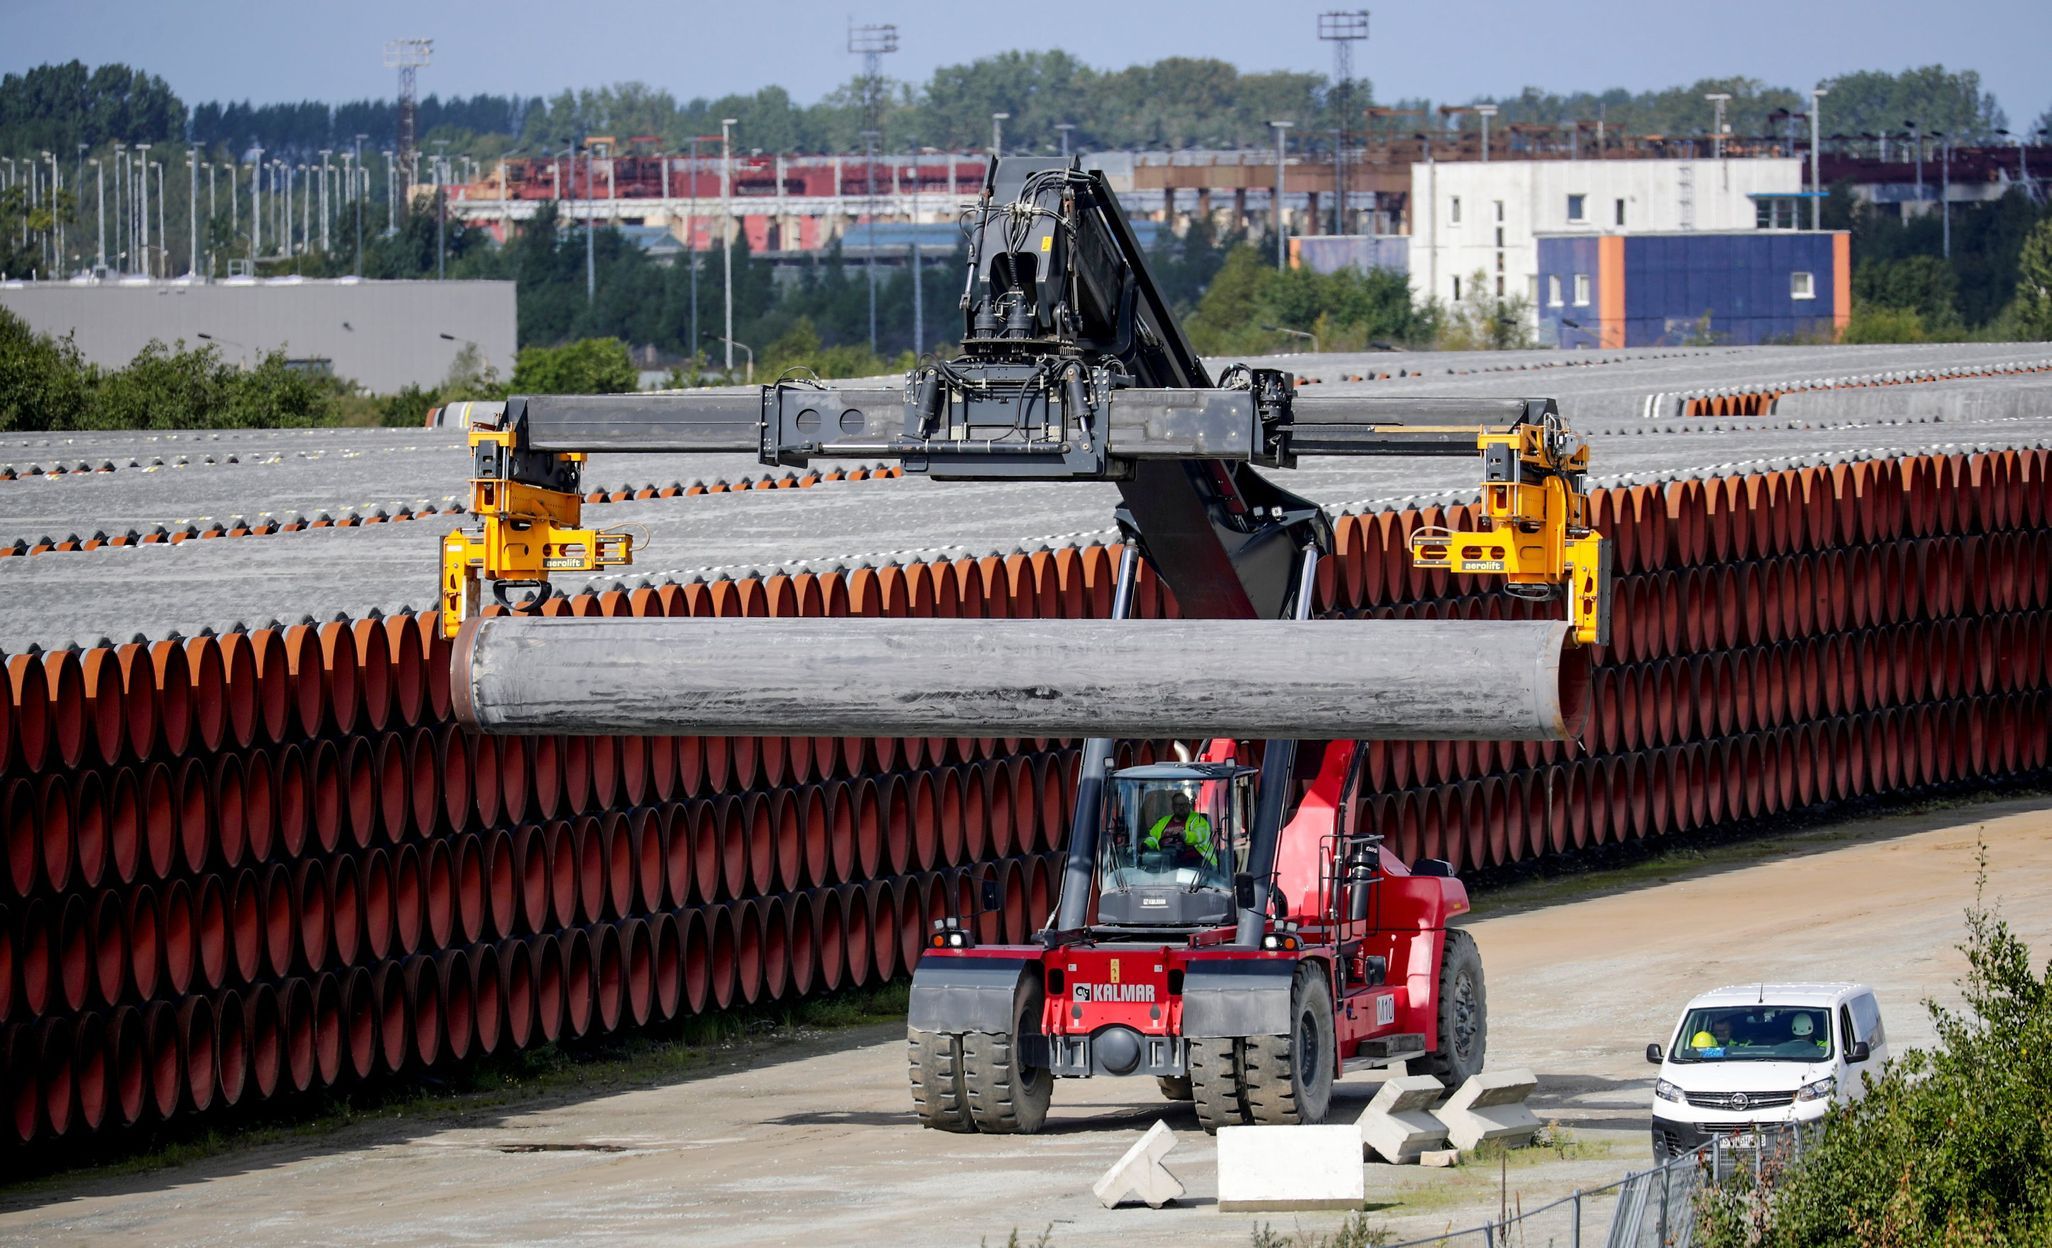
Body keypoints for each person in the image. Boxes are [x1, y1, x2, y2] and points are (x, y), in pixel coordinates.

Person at [1144, 792, 1216, 867]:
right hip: (1165, 862)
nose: (1182, 807)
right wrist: (1146, 845)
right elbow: (1153, 837)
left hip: (1196, 865)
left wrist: (1184, 835)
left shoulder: (1198, 820)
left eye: (1184, 804)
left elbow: (1199, 835)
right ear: (1173, 807)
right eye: (1178, 805)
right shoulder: (1163, 821)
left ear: (1189, 805)